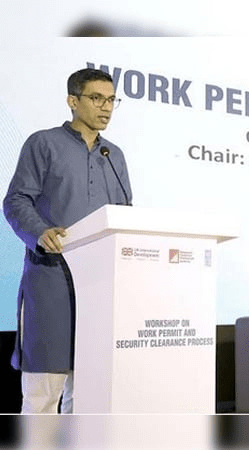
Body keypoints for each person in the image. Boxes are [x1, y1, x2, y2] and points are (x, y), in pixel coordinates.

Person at [3, 68, 132, 413]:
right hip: (51, 279)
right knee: (43, 394)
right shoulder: (43, 143)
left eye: (111, 100)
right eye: (96, 98)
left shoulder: (113, 156)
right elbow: (16, 200)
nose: (106, 107)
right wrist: (40, 232)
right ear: (72, 101)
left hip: (101, 285)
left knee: (89, 395)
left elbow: (125, 213)